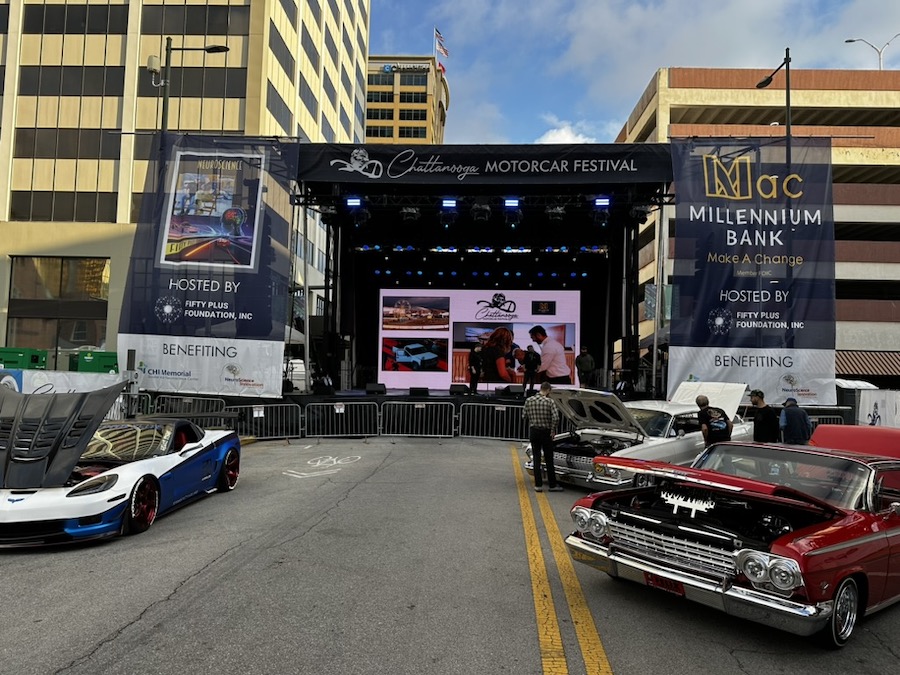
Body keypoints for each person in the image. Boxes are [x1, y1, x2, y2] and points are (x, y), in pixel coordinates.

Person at [522, 382, 563, 492]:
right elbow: (556, 418)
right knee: (549, 459)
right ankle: (552, 485)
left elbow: (524, 416)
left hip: (534, 431)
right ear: (548, 390)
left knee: (536, 458)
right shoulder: (550, 401)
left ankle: (538, 485)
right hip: (546, 432)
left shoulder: (529, 400)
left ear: (540, 388)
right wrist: (553, 429)